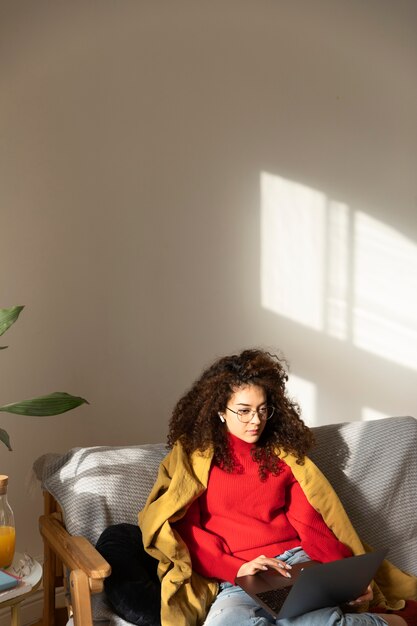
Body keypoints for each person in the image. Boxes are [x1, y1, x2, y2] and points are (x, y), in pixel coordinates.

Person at [139, 349, 408, 626]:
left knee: (306, 623)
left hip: (295, 564)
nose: (255, 420)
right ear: (220, 410)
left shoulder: (282, 456)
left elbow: (311, 525)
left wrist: (344, 577)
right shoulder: (194, 458)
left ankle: (391, 622)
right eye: (243, 411)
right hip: (241, 576)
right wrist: (237, 569)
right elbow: (187, 531)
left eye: (262, 409)